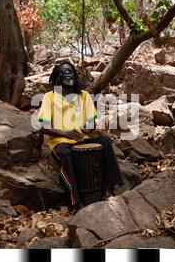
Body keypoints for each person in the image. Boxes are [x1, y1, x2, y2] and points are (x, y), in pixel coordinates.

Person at [37, 61, 124, 210]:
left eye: (70, 71)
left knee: (105, 141)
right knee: (66, 154)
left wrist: (87, 129)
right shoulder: (49, 97)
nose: (67, 74)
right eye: (63, 72)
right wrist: (65, 132)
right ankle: (76, 201)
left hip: (81, 140)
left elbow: (91, 123)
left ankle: (109, 187)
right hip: (60, 142)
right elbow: (43, 126)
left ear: (75, 76)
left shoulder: (83, 96)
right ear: (57, 78)